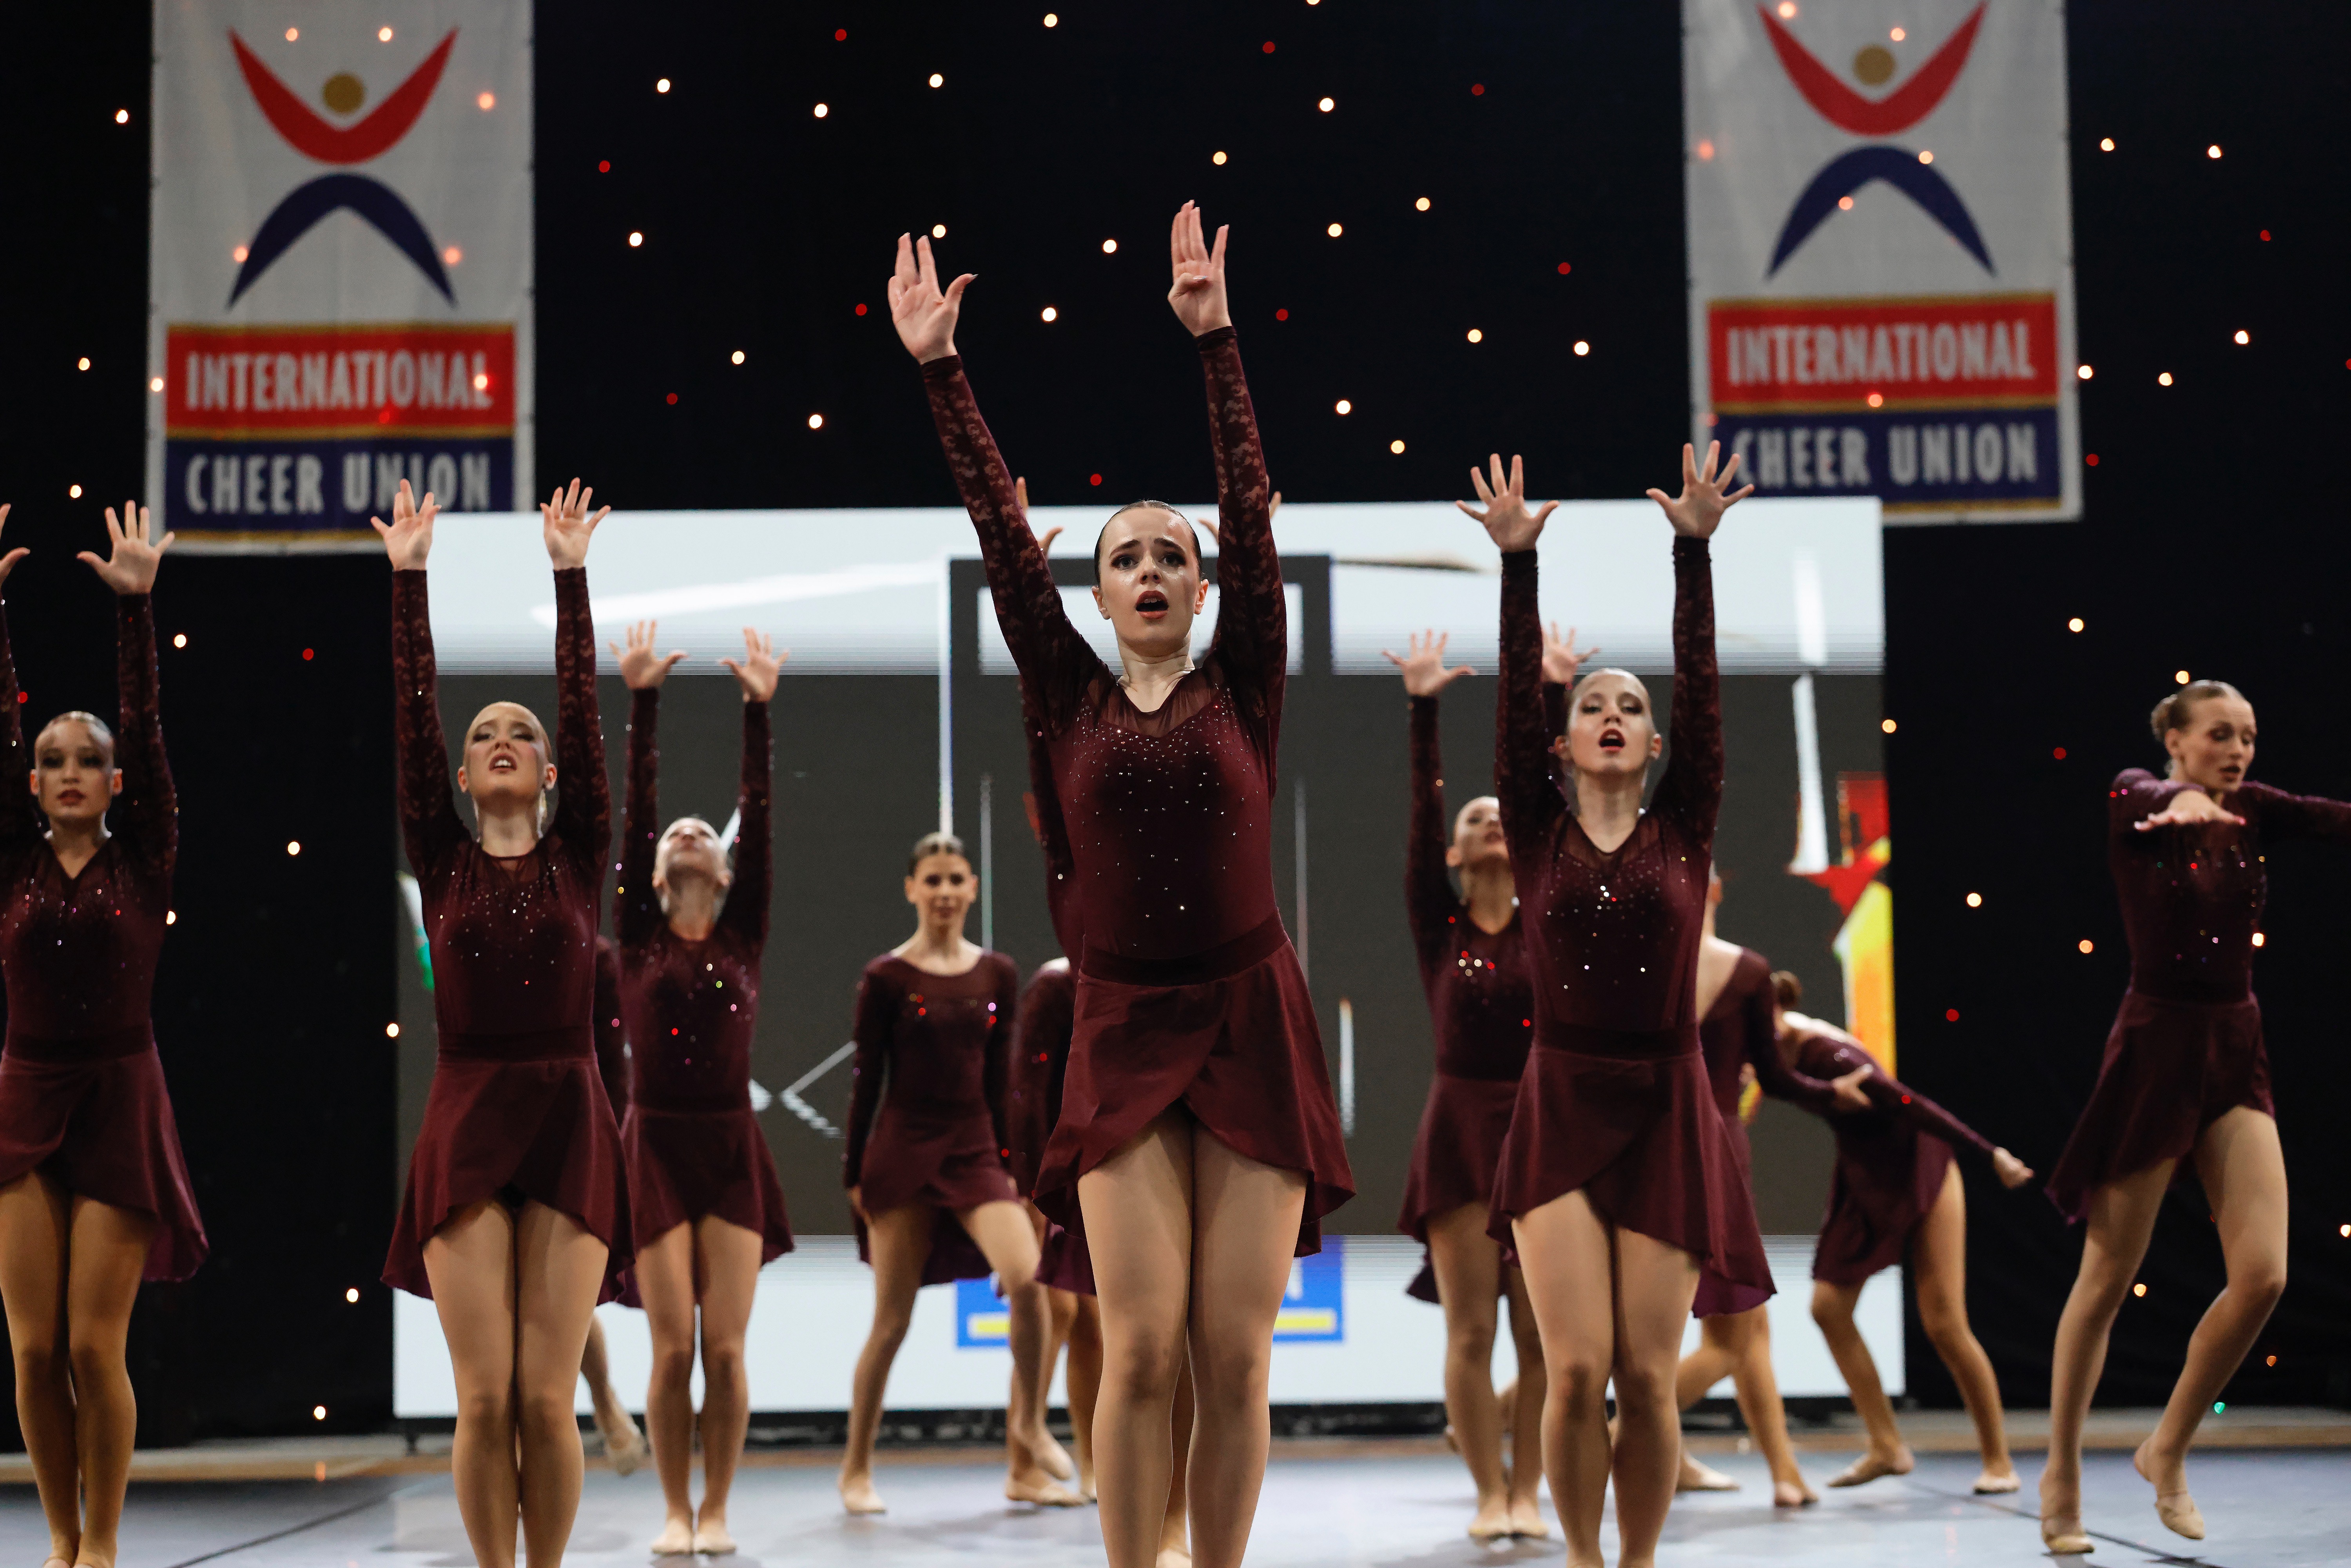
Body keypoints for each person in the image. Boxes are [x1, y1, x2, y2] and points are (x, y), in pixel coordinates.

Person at [889, 204, 1352, 1568]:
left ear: (1205, 592)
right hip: (1123, 1023)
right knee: (1141, 1348)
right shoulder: (1066, 693)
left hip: (1251, 1019)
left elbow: (1249, 510)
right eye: (1124, 559)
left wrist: (1216, 343)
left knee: (1234, 1354)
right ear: (1094, 597)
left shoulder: (1247, 679)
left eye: (1172, 557)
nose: (1151, 570)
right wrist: (941, 372)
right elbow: (1000, 530)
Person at [1461, 444, 1762, 1568]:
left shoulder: (1686, 824)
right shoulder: (1533, 829)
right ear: (1562, 739)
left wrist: (1693, 555)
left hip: (1669, 1106)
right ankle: (1583, 1560)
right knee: (1576, 1364)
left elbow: (1706, 688)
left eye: (1633, 706)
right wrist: (1517, 567)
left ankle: (1636, 1563)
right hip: (1561, 1100)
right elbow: (1510, 705)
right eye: (1593, 703)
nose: (1614, 715)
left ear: (1656, 741)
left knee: (1645, 1372)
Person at [378, 477, 631, 1568]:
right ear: (461, 773)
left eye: (520, 733)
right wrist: (409, 582)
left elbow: (582, 703)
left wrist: (570, 579)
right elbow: (412, 716)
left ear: (552, 771)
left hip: (570, 1115)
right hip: (468, 1111)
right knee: (484, 1398)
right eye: (482, 732)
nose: (500, 740)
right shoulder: (439, 857)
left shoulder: (582, 853)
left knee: (543, 1395)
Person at [2037, 682, 2334, 1553]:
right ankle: (2061, 1477)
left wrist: (2216, 801)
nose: (2237, 750)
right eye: (2219, 735)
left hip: (2236, 1049)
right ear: (2175, 738)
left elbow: (2332, 817)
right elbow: (2143, 792)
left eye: (2248, 736)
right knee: (2105, 1278)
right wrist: (2182, 797)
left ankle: (2166, 1447)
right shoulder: (2140, 797)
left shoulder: (2254, 809)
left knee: (2265, 1275)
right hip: (2157, 1050)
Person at [0, 500, 207, 1568]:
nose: (71, 769)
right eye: (52, 758)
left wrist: (136, 611)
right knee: (35, 1350)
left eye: (90, 758)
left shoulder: (145, 856)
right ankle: (62, 1533)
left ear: (116, 783)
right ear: (33, 783)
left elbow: (151, 734)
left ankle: (108, 1542)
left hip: (121, 1097)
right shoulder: (13, 860)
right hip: (27, 1097)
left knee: (92, 1344)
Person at [1385, 626, 1578, 1540]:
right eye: (1474, 820)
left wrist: (1551, 698)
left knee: (1541, 1334)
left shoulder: (1549, 916)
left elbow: (1545, 802)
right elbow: (1421, 824)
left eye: (1500, 815)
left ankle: (1529, 1492)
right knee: (1472, 1332)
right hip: (1460, 1134)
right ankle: (1488, 1494)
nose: (1491, 821)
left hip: (1538, 1130)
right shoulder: (1440, 924)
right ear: (1457, 856)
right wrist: (1422, 713)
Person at [611, 621, 798, 1554]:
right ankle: (674, 1510)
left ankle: (717, 1507)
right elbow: (637, 811)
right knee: (672, 1347)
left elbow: (757, 816)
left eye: (702, 832)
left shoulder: (743, 933)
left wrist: (758, 713)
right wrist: (642, 703)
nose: (687, 832)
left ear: (725, 872)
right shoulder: (637, 938)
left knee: (724, 1350)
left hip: (729, 1150)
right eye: (673, 834)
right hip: (653, 1144)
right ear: (653, 873)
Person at [838, 832, 1059, 1514]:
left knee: (1030, 1283)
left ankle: (1027, 1435)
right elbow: (867, 1078)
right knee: (892, 1321)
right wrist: (854, 1172)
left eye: (955, 879)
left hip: (973, 1146)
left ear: (972, 889)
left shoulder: (997, 973)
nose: (944, 891)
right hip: (903, 1149)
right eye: (932, 879)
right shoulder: (886, 977)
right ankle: (856, 1468)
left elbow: (1002, 1082)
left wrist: (1016, 1172)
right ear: (912, 888)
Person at [1767, 973, 2033, 1496]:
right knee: (1828, 1308)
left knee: (1945, 1323)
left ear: (1777, 1011)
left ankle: (1999, 1461)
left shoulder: (1829, 1054)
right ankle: (1887, 1446)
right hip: (1865, 1173)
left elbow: (1912, 1104)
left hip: (1918, 1166)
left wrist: (1991, 1155)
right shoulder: (1772, 1049)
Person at [1670, 874, 1854, 1508]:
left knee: (1747, 1325)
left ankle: (1782, 1470)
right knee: (1730, 1336)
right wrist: (1831, 1092)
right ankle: (1621, 1437)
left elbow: (1770, 1074)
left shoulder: (1719, 970)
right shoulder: (1731, 969)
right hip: (1707, 1151)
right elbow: (1775, 1076)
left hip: (1678, 1146)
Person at [580, 935, 649, 1477]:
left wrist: (617, 1150)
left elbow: (612, 1058)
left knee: (558, 1299)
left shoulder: (594, 953)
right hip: (482, 1119)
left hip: (571, 1132)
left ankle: (602, 1395)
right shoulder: (469, 926)